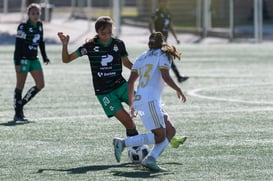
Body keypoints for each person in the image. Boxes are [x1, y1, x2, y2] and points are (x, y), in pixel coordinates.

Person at [113, 32, 187, 171]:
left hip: (142, 100)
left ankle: (150, 159)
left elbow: (130, 83)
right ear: (162, 43)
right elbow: (165, 76)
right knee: (160, 136)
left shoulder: (141, 57)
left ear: (149, 43)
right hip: (150, 101)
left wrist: (132, 105)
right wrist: (178, 89)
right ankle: (123, 143)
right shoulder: (163, 54)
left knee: (170, 131)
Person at [57, 16, 139, 140]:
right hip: (105, 93)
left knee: (146, 107)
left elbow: (127, 63)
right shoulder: (89, 46)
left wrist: (141, 72)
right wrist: (65, 45)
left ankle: (167, 135)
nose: (106, 36)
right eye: (103, 33)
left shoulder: (119, 44)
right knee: (128, 122)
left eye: (109, 32)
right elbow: (66, 59)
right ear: (97, 32)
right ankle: (135, 147)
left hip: (122, 86)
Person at [13, 3, 50, 122]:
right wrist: (17, 62)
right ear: (28, 14)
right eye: (33, 13)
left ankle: (21, 105)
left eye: (38, 13)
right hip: (23, 59)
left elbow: (41, 42)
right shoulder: (22, 27)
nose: (36, 15)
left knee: (40, 84)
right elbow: (18, 45)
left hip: (34, 59)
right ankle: (18, 114)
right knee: (20, 86)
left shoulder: (39, 25)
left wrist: (44, 57)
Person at [149, 0, 189, 83]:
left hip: (164, 41)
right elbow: (150, 24)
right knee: (167, 57)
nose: (164, 3)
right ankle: (178, 77)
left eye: (165, 2)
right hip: (159, 41)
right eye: (162, 2)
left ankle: (178, 77)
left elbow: (170, 26)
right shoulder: (156, 14)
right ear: (159, 3)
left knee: (165, 58)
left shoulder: (168, 14)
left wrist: (176, 38)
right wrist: (153, 37)